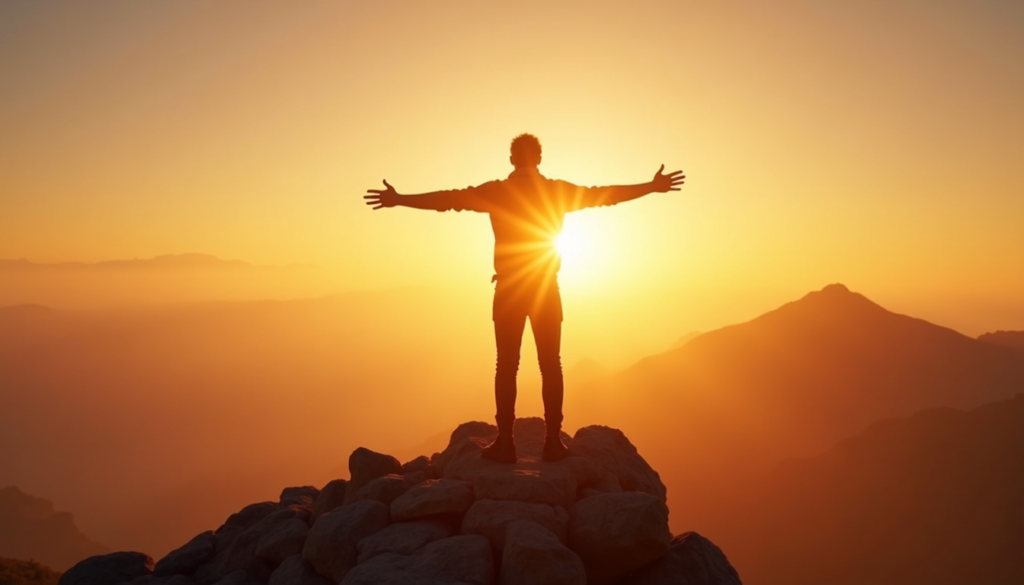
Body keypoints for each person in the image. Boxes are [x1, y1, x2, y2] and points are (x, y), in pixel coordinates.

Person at [364, 134, 684, 463]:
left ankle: (505, 442)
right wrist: (650, 186)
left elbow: (447, 199)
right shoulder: (556, 191)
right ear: (539, 159)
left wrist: (399, 199)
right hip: (545, 287)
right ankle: (553, 442)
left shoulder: (496, 192)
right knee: (551, 365)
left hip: (509, 289)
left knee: (506, 366)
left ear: (512, 159)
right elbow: (606, 195)